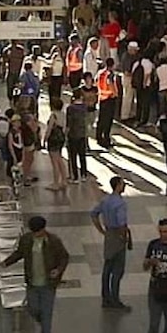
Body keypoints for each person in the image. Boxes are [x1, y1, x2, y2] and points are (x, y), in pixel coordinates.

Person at [2, 216, 70, 333]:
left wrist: (58, 270)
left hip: (48, 284)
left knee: (47, 314)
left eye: (37, 232)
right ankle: (42, 321)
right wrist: (6, 262)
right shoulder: (27, 240)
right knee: (32, 308)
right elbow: (19, 253)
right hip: (32, 282)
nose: (35, 235)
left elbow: (64, 257)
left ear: (43, 229)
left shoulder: (53, 241)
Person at [90, 177, 133, 311]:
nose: (124, 185)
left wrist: (101, 230)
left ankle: (105, 297)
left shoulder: (105, 200)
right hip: (117, 236)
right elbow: (121, 223)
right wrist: (123, 237)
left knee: (107, 267)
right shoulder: (120, 203)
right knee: (117, 270)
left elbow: (94, 214)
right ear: (118, 186)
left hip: (109, 234)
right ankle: (115, 299)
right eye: (123, 183)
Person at [44, 98, 69, 191]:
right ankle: (64, 180)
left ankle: (56, 183)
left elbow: (49, 128)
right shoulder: (63, 115)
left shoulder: (53, 115)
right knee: (59, 159)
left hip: (53, 139)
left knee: (54, 162)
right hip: (61, 138)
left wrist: (45, 138)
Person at [66, 90, 89, 183]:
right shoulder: (84, 107)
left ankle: (75, 176)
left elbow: (69, 122)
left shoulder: (70, 108)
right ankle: (84, 174)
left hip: (73, 134)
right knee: (82, 155)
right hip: (82, 133)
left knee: (73, 156)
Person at [96, 58, 119, 147]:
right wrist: (115, 93)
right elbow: (110, 83)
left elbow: (96, 81)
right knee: (108, 120)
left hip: (102, 97)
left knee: (101, 119)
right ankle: (106, 139)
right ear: (112, 65)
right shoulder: (110, 74)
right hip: (109, 98)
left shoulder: (100, 73)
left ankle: (99, 137)